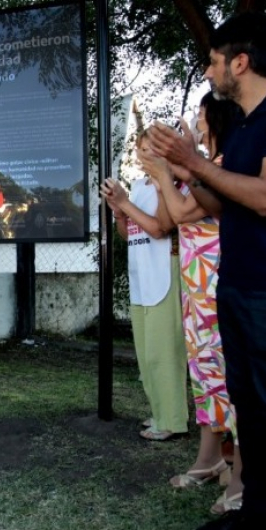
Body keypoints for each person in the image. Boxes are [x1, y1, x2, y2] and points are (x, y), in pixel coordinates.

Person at [148, 12, 266, 530]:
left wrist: (193, 165)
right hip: (235, 286)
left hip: (264, 292)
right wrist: (179, 170)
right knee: (248, 408)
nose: (208, 71)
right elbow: (220, 205)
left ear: (240, 62)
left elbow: (262, 198)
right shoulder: (240, 128)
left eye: (214, 61)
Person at [141, 92, 243, 515]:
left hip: (221, 287)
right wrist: (168, 174)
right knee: (204, 374)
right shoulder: (201, 169)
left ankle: (240, 479)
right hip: (195, 291)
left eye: (200, 119)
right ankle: (210, 458)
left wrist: (166, 172)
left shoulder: (225, 170)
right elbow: (170, 215)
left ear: (215, 120)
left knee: (230, 378)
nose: (196, 126)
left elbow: (183, 214)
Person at [100, 128, 189, 441]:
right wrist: (119, 212)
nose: (143, 154)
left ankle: (174, 420)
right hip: (142, 277)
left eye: (151, 148)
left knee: (166, 352)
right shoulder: (138, 186)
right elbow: (131, 233)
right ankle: (160, 412)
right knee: (148, 354)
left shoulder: (174, 186)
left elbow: (160, 229)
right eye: (140, 149)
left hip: (164, 273)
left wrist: (125, 204)